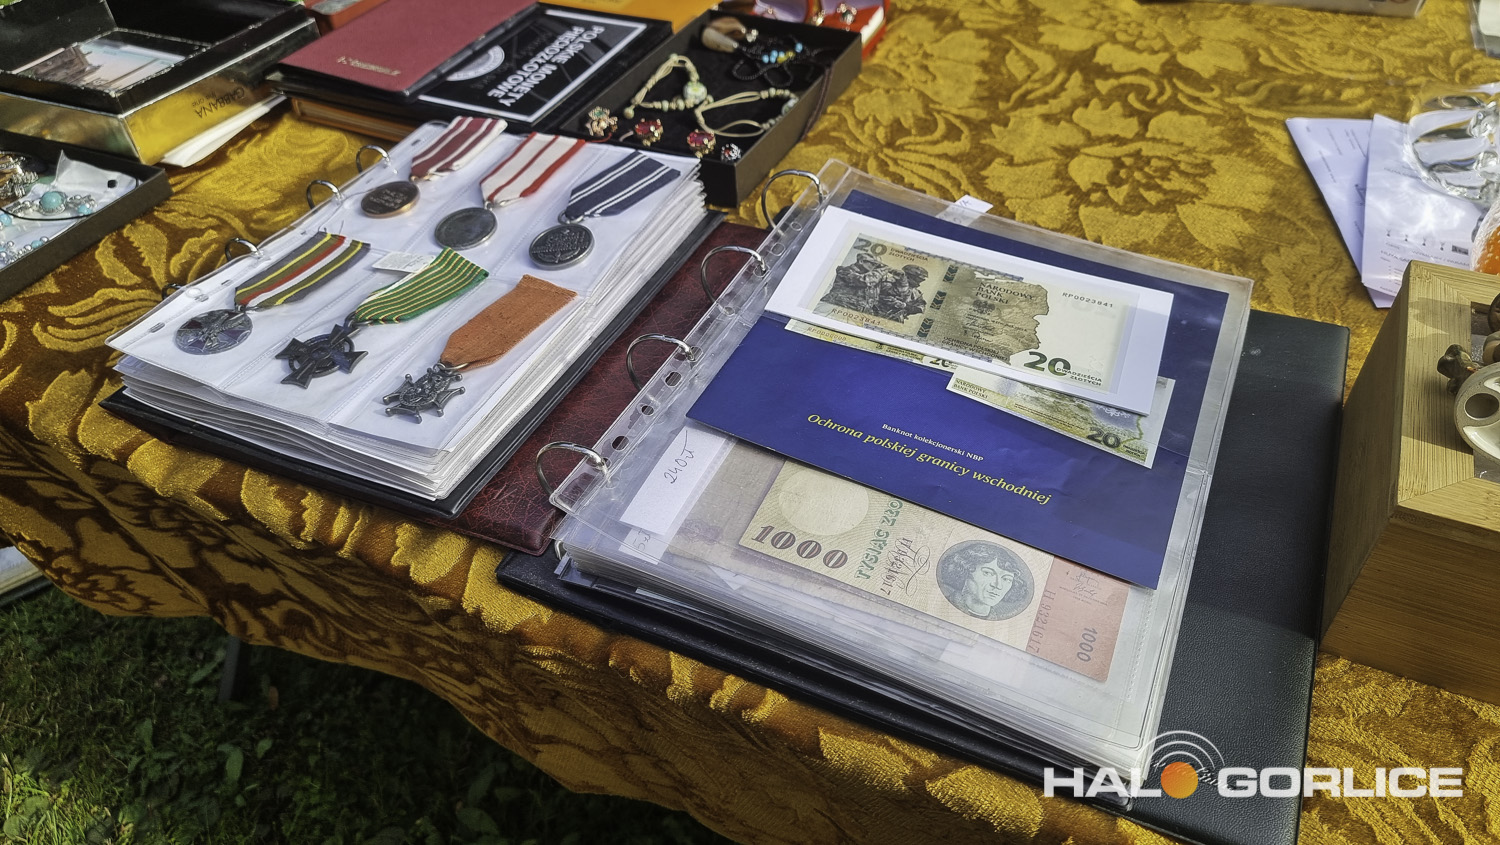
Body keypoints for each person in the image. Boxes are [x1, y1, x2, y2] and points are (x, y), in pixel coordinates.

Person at [936, 541, 1032, 620]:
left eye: (1006, 579)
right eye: (988, 573)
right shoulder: (939, 605)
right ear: (966, 569)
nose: (998, 585)